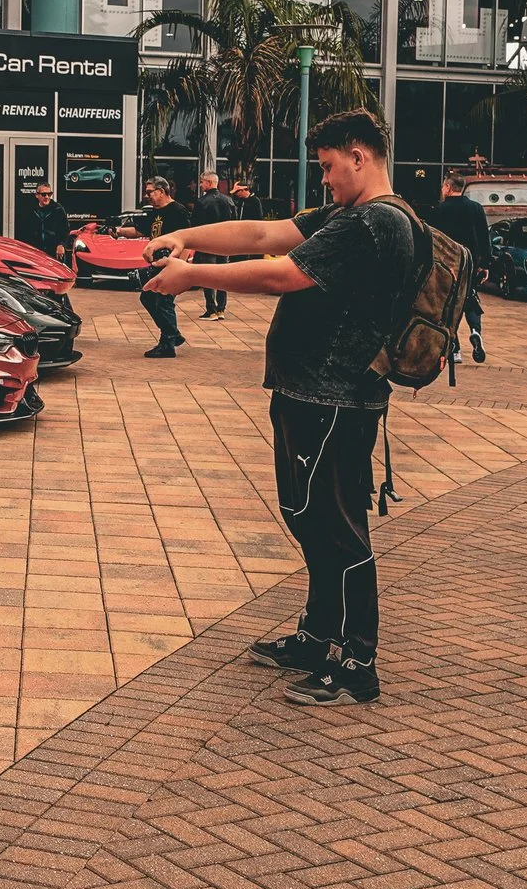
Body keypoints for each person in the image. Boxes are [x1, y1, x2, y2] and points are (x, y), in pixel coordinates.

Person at [139, 109, 416, 706]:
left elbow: (280, 274)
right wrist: (186, 238)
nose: (325, 179)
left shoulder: (374, 223)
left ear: (358, 156)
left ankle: (356, 662)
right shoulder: (348, 215)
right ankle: (317, 636)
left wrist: (191, 277)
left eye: (328, 167)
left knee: (338, 529)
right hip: (309, 393)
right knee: (307, 517)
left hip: (336, 398)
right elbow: (265, 233)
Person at [426, 170, 491, 364]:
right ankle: (475, 331)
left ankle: (454, 349)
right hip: (470, 263)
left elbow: (433, 239)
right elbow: (483, 237)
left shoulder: (439, 210)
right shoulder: (476, 208)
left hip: (446, 265)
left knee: (448, 305)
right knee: (469, 297)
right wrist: (485, 263)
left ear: (448, 187)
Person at [134, 178, 193, 358]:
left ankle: (168, 343)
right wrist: (117, 231)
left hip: (171, 265)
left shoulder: (178, 211)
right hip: (158, 265)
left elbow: (187, 240)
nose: (147, 196)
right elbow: (140, 231)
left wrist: (179, 267)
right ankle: (172, 334)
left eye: (150, 192)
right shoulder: (155, 212)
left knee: (163, 302)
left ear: (161, 191)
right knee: (148, 297)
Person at [192, 171, 236, 319]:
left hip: (207, 243)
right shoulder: (229, 201)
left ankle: (211, 309)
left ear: (209, 183)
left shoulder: (201, 202)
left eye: (202, 182)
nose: (200, 184)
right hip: (225, 244)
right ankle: (221, 308)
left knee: (208, 276)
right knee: (223, 276)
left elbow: (195, 225)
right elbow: (235, 224)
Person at [24, 181, 70, 266]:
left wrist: (62, 244)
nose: (47, 197)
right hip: (35, 252)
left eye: (49, 194)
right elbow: (25, 231)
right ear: (37, 195)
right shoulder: (30, 210)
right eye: (44, 194)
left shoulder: (58, 209)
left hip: (53, 251)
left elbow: (65, 229)